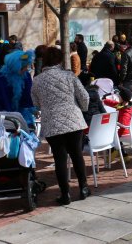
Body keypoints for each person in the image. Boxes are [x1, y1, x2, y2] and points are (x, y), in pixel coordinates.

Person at [31, 46, 91, 205]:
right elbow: (84, 97)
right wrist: (82, 109)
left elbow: (35, 103)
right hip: (73, 120)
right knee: (77, 154)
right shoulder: (69, 76)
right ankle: (84, 187)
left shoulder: (37, 80)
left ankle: (65, 194)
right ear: (59, 60)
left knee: (60, 159)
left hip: (52, 123)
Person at [0, 50, 37, 127]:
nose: (26, 69)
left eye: (27, 66)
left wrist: (31, 109)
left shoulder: (26, 76)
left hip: (21, 116)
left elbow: (28, 97)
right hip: (1, 116)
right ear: (15, 66)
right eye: (23, 66)